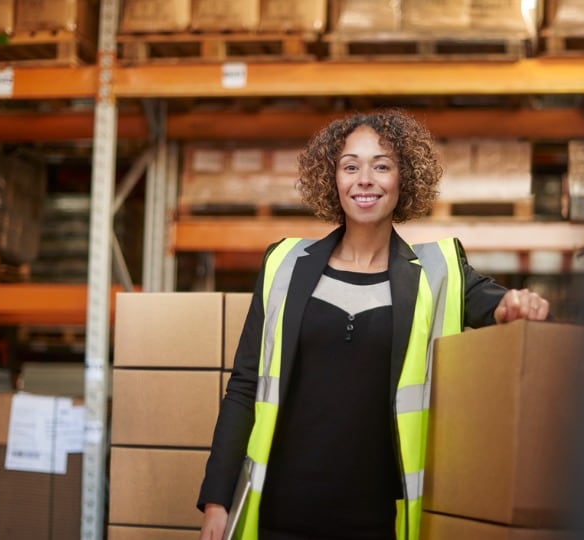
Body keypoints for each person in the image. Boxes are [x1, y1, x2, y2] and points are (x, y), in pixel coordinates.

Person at [198, 109, 550, 540]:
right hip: (282, 515)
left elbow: (496, 304)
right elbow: (245, 385)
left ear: (404, 179)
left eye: (381, 165)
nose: (365, 179)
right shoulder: (284, 263)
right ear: (333, 180)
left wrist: (516, 304)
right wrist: (217, 501)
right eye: (351, 166)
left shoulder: (438, 272)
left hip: (380, 522)